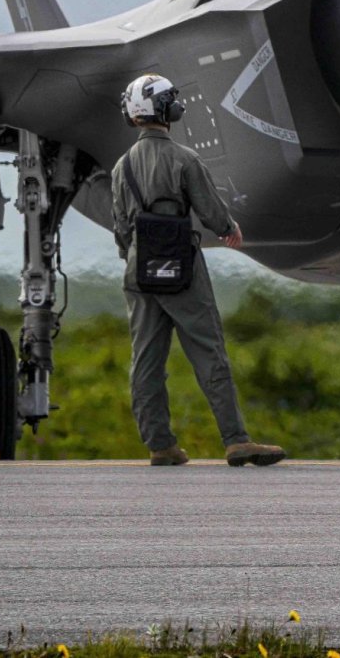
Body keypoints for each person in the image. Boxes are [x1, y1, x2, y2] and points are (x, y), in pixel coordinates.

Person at [112, 73, 286, 468]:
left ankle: (160, 446)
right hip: (181, 266)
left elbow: (120, 227)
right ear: (164, 110)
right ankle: (236, 440)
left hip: (139, 271)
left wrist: (136, 259)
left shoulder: (122, 167)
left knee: (145, 361)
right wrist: (229, 229)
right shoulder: (184, 158)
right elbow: (210, 210)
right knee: (209, 353)